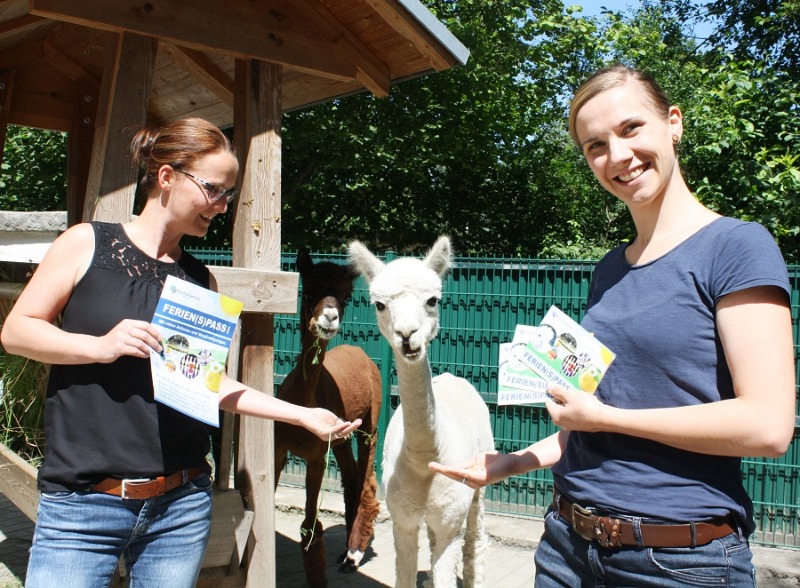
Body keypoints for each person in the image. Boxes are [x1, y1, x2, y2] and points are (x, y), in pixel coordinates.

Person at [429, 64, 795, 586]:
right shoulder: (609, 269)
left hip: (677, 562)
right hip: (565, 546)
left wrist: (607, 418)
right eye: (594, 145)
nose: (616, 156)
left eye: (630, 129)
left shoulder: (737, 246)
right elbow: (588, 422)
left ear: (673, 123)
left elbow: (767, 426)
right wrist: (508, 463)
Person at [0, 117, 361, 588]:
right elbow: (17, 332)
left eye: (228, 194)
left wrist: (301, 415)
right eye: (214, 189)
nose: (222, 205)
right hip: (82, 507)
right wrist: (100, 346)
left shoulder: (199, 281)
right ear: (167, 177)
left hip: (180, 508)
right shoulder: (86, 243)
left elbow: (206, 382)